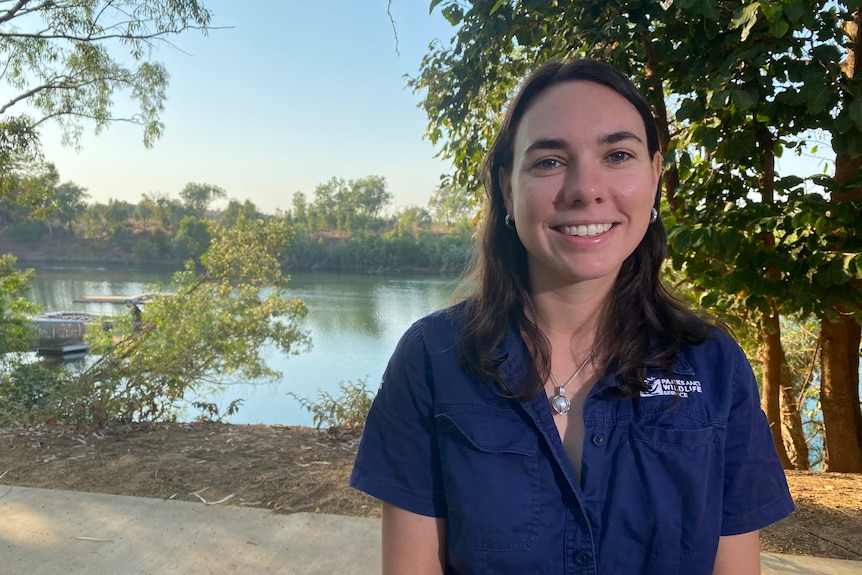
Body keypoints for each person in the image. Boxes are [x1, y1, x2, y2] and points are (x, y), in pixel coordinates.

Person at [349, 59, 794, 574]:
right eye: (549, 162)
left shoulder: (714, 366)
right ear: (508, 190)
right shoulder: (433, 359)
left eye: (618, 154)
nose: (586, 188)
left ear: (654, 176)